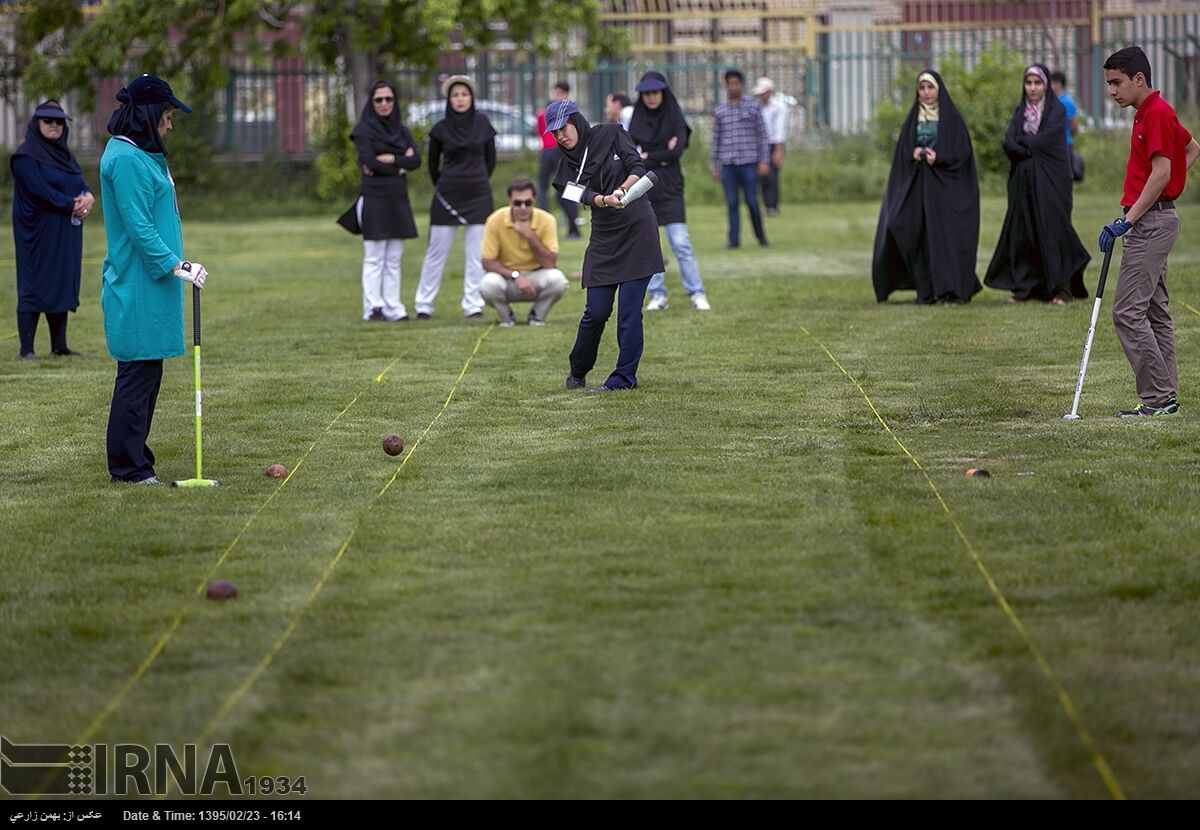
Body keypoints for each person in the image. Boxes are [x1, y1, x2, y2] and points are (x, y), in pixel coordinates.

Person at [100, 74, 208, 485]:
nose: (169, 125)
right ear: (146, 116)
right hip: (138, 282)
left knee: (148, 375)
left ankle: (137, 457)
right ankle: (127, 467)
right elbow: (139, 227)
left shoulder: (139, 155)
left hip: (152, 282)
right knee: (137, 374)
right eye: (165, 116)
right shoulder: (125, 160)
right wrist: (176, 265)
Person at [1098, 46, 1200, 418]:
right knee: (1155, 312)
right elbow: (1192, 148)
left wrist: (1128, 220)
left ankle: (1157, 397)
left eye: (1116, 83)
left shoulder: (1155, 112)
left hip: (1150, 223)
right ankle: (1165, 396)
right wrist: (1169, 185)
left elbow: (1161, 172)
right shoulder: (1149, 113)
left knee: (1127, 312)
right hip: (1153, 218)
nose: (1112, 91)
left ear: (1139, 79)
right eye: (1109, 83)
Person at [547, 100, 664, 392]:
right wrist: (604, 200)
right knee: (595, 313)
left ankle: (624, 379)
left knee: (628, 312)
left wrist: (623, 189)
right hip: (603, 237)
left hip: (638, 231)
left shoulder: (612, 133)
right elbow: (582, 196)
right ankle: (578, 369)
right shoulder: (563, 172)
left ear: (576, 120)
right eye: (555, 132)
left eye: (564, 127)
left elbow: (637, 165)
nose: (561, 136)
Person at [984, 65, 1090, 305]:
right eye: (1029, 83)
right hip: (1023, 183)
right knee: (1024, 232)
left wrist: (1024, 143)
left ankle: (1062, 289)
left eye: (1038, 83)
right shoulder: (1019, 111)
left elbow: (1046, 142)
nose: (1033, 88)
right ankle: (1025, 287)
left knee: (1054, 229)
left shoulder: (1056, 111)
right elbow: (1008, 143)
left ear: (1046, 85)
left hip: (1052, 181)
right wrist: (1026, 144)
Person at [872, 70, 981, 304]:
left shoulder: (951, 119)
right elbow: (903, 152)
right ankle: (925, 289)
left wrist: (939, 158)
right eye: (922, 88)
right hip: (918, 188)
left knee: (944, 237)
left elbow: (961, 154)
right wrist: (913, 153)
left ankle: (951, 289)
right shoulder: (914, 118)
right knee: (909, 230)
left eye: (930, 87)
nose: (927, 93)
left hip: (945, 190)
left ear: (939, 90)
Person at [10, 100, 94, 360]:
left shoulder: (65, 156)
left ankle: (60, 346)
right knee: (34, 282)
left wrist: (88, 197)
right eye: (48, 121)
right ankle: (27, 350)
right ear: (37, 124)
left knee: (61, 279)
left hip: (65, 228)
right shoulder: (25, 156)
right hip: (36, 230)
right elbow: (39, 191)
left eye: (59, 121)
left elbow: (79, 184)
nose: (54, 125)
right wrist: (71, 204)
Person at [414, 76, 497, 320]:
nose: (460, 99)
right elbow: (432, 165)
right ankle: (423, 305)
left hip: (478, 195)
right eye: (455, 95)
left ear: (472, 97)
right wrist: (446, 183)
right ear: (448, 100)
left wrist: (476, 179)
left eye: (464, 94)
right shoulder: (440, 128)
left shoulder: (483, 123)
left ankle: (473, 305)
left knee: (475, 254)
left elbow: (490, 160)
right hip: (447, 195)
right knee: (436, 252)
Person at [628, 71, 710, 312]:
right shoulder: (637, 119)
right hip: (644, 187)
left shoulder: (675, 117)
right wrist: (658, 156)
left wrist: (649, 156)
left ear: (663, 93)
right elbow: (632, 156)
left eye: (655, 93)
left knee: (680, 243)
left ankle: (697, 293)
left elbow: (675, 153)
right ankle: (657, 294)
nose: (651, 98)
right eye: (646, 94)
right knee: (649, 244)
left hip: (671, 187)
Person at [349, 80, 421, 322]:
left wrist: (389, 159)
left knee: (393, 259)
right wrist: (399, 163)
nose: (384, 104)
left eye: (388, 99)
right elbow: (369, 161)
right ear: (372, 102)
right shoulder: (363, 131)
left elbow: (416, 161)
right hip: (374, 197)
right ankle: (373, 308)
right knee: (374, 256)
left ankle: (393, 307)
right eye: (378, 99)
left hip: (397, 198)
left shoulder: (402, 131)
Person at [479, 178, 568, 327]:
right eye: (517, 203)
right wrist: (516, 276)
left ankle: (537, 316)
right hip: (507, 278)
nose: (523, 207)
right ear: (509, 201)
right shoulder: (495, 220)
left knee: (558, 280)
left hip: (536, 276)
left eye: (527, 203)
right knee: (487, 284)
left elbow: (550, 263)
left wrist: (529, 236)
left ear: (534, 199)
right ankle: (506, 318)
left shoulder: (547, 220)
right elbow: (487, 262)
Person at [711, 69, 770, 248]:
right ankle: (733, 240)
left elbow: (763, 135)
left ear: (741, 85)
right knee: (732, 203)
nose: (734, 86)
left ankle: (761, 237)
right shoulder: (720, 110)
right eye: (730, 83)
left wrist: (764, 160)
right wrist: (714, 164)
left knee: (752, 201)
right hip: (728, 164)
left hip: (750, 163)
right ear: (726, 85)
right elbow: (716, 138)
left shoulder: (753, 106)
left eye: (737, 83)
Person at [537, 80, 581, 240]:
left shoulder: (561, 112)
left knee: (566, 190)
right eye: (556, 92)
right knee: (543, 189)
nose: (557, 96)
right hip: (550, 151)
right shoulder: (559, 112)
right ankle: (545, 225)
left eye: (560, 93)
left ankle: (573, 226)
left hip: (560, 152)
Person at [750, 77, 789, 215]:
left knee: (772, 176)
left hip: (773, 143)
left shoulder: (779, 107)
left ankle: (772, 205)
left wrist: (779, 150)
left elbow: (779, 130)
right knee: (760, 175)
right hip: (759, 143)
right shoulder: (758, 106)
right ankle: (763, 203)